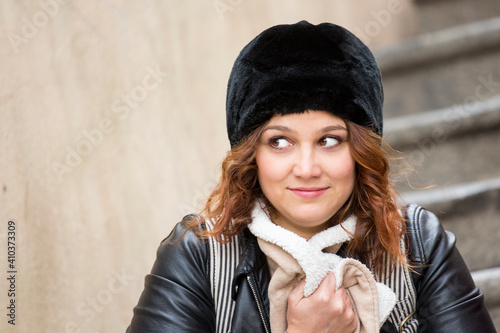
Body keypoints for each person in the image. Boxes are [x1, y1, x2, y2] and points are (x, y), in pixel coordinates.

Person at [127, 21, 496, 333]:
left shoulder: (416, 244)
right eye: (280, 141)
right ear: (251, 155)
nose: (306, 168)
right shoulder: (198, 254)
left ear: (360, 152)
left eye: (330, 140)